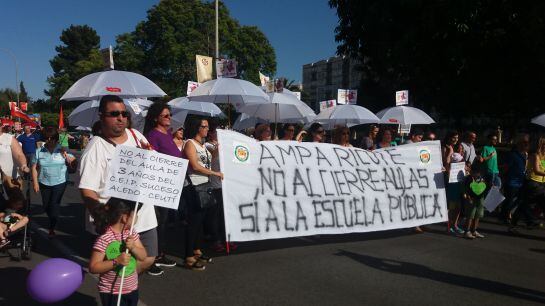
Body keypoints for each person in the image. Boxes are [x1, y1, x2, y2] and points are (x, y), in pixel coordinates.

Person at [79, 95, 157, 274]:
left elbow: (153, 164)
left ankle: (128, 284)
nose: (121, 118)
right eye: (114, 114)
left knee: (149, 258)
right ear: (101, 116)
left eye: (124, 113)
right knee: (117, 271)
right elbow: (87, 191)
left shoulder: (136, 136)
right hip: (115, 224)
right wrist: (106, 221)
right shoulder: (95, 148)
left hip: (144, 217)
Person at [143, 102, 179, 275]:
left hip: (170, 185)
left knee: (163, 222)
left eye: (169, 114)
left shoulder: (168, 133)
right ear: (156, 117)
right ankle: (151, 258)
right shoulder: (153, 135)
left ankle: (160, 253)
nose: (169, 117)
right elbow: (152, 159)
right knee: (157, 222)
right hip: (159, 186)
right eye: (165, 115)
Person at [89, 198, 147, 306]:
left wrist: (134, 247)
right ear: (125, 218)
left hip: (132, 288)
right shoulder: (105, 238)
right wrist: (116, 261)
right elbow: (93, 267)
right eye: (135, 214)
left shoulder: (131, 234)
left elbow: (143, 256)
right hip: (111, 291)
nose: (137, 217)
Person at [183, 118, 223, 270]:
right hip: (193, 185)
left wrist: (217, 150)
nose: (207, 129)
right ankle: (188, 256)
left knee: (200, 221)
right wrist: (215, 173)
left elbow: (210, 160)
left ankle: (196, 250)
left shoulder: (203, 146)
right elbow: (194, 165)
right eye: (204, 126)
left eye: (207, 127)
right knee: (193, 222)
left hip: (204, 185)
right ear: (196, 127)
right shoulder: (190, 143)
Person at [31, 126, 76, 237]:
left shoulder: (62, 150)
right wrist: (35, 182)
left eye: (52, 138)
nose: (49, 141)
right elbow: (33, 167)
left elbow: (74, 163)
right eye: (47, 138)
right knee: (46, 206)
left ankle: (52, 227)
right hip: (43, 181)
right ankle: (53, 218)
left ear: (56, 139)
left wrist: (71, 160)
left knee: (54, 204)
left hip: (60, 181)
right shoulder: (39, 151)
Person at [510, 137, 545, 232]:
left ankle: (520, 223)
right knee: (530, 204)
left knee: (524, 205)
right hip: (532, 183)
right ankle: (531, 220)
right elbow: (537, 170)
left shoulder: (543, 156)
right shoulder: (535, 156)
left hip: (541, 183)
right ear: (542, 146)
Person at [502, 134, 529, 223]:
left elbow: (525, 167)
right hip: (512, 181)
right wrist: (504, 177)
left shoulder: (525, 155)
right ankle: (505, 217)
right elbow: (506, 167)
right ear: (519, 144)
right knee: (509, 200)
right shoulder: (512, 154)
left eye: (526, 143)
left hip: (521, 181)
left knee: (520, 199)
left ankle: (506, 213)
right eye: (524, 143)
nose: (526, 145)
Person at [0, 123, 30, 191]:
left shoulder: (9, 138)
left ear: (1, 126)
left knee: (11, 200)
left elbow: (19, 154)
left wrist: (23, 165)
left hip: (10, 179)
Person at [463, 165, 487, 239]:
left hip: (480, 199)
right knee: (470, 216)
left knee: (478, 216)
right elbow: (466, 190)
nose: (478, 174)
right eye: (477, 172)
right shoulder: (469, 179)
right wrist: (469, 198)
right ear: (472, 172)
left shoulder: (481, 178)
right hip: (472, 199)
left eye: (479, 172)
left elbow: (485, 185)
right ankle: (467, 231)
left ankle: (474, 230)